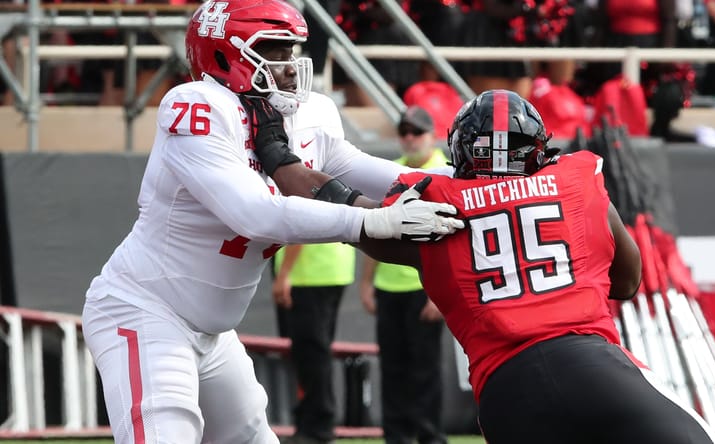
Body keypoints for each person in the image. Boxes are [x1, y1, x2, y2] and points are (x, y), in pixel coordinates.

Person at [79, 0, 464, 443]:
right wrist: (366, 222)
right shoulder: (196, 106)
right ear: (225, 55)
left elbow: (392, 176)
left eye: (291, 51)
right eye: (275, 51)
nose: (289, 65)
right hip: (145, 310)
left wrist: (475, 177)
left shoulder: (307, 116)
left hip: (213, 334)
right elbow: (255, 214)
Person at [350, 89, 715, 444]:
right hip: (591, 367)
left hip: (505, 393)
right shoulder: (572, 181)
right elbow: (626, 282)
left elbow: (356, 224)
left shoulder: (436, 199)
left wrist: (297, 167)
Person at [359, 106, 449, 444]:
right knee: (393, 368)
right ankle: (396, 437)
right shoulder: (393, 173)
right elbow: (377, 229)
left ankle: (429, 436)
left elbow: (450, 239)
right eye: (405, 132)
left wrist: (439, 293)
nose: (410, 138)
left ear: (431, 135)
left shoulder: (444, 173)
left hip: (423, 288)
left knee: (425, 369)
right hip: (390, 286)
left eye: (417, 132)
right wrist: (367, 282)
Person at [272, 243, 356, 444]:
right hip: (328, 268)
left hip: (310, 273)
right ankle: (312, 424)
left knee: (312, 354)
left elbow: (298, 225)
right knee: (314, 353)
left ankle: (317, 428)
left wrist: (284, 273)